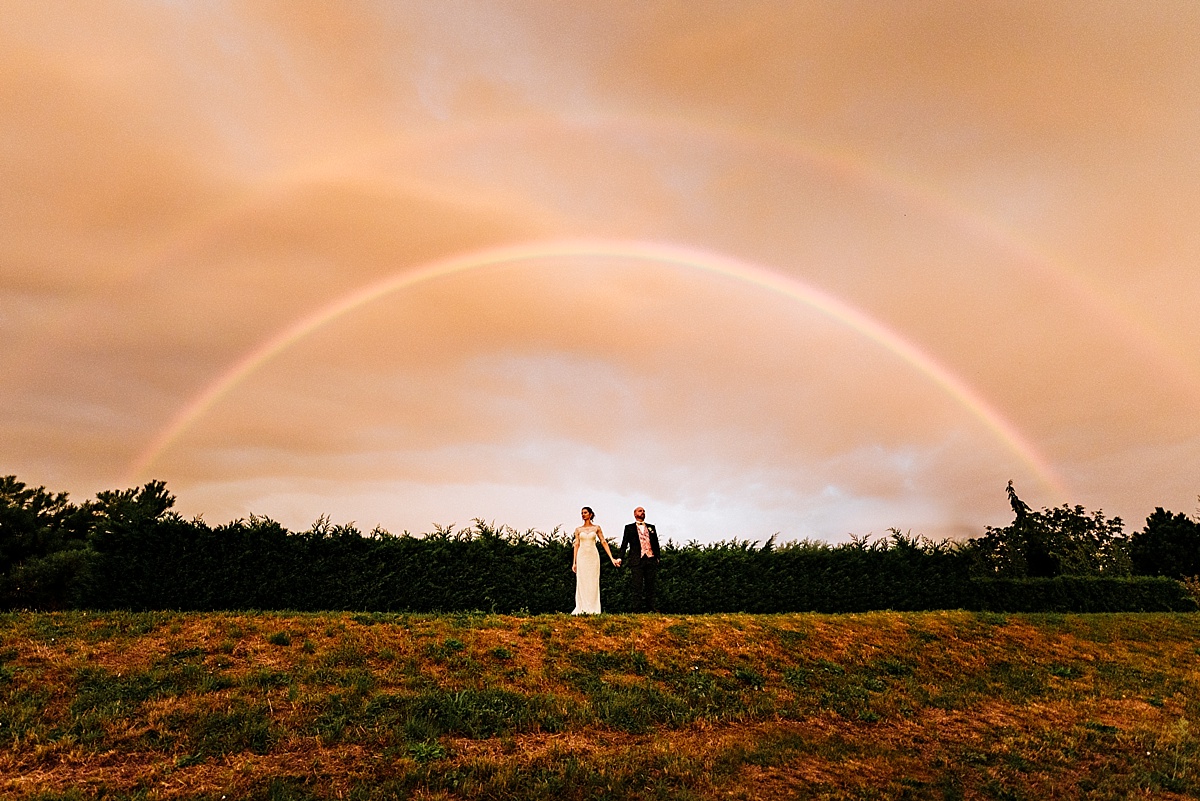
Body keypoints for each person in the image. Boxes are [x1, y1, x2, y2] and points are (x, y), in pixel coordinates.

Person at [572, 506, 621, 615]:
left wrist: (612, 558)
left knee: (593, 581)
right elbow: (576, 544)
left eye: (585, 512)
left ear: (590, 514)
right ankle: (582, 607)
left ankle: (593, 608)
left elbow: (603, 542)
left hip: (593, 556)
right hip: (582, 556)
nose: (583, 515)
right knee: (582, 581)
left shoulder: (597, 528)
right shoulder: (578, 530)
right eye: (582, 513)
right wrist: (574, 562)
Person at [619, 506, 661, 612]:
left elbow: (656, 543)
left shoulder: (651, 527)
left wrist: (658, 557)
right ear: (635, 514)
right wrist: (620, 557)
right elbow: (624, 544)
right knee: (637, 585)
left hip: (650, 559)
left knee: (650, 585)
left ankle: (651, 608)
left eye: (643, 511)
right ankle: (636, 609)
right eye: (640, 511)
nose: (642, 512)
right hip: (637, 560)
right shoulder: (629, 528)